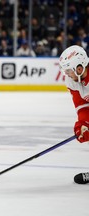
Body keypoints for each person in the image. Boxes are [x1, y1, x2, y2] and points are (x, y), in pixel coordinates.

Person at [59, 45, 89, 184]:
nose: (67, 74)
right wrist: (82, 125)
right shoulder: (72, 81)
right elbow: (82, 107)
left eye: (69, 70)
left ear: (79, 67)